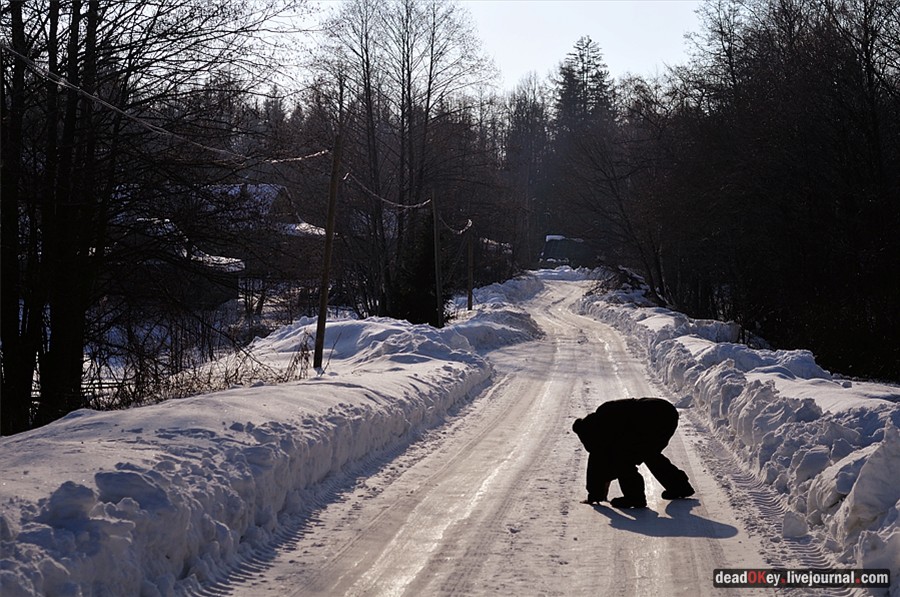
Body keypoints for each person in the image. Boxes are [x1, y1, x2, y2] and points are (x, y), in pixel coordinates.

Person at [572, 397, 695, 508]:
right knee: (648, 454)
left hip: (651, 417)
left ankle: (634, 498)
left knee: (623, 458)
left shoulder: (602, 428)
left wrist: (594, 494)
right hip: (666, 411)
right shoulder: (602, 416)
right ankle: (679, 487)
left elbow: (597, 462)